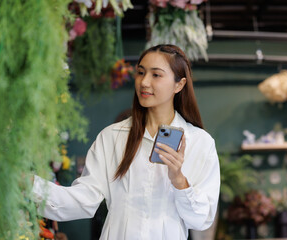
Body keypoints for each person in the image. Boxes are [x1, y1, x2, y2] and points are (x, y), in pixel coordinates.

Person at [32, 44, 220, 240]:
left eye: (156, 75)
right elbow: (83, 201)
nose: (144, 82)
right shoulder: (112, 137)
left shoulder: (200, 143)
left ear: (179, 85)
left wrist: (179, 180)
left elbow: (201, 220)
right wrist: (30, 185)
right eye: (140, 72)